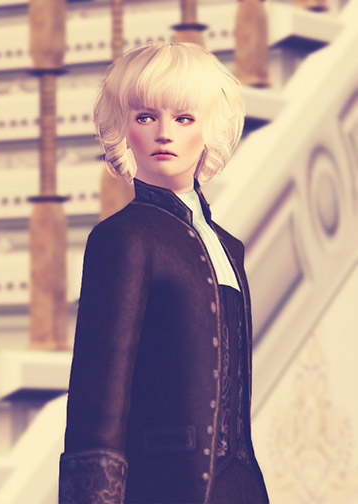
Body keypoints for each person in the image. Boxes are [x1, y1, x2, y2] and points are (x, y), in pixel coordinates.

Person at [58, 41, 271, 503]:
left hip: (241, 486)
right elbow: (98, 398)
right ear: (123, 128)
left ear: (210, 129)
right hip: (161, 487)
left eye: (184, 118)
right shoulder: (123, 237)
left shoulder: (229, 247)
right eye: (145, 117)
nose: (164, 134)